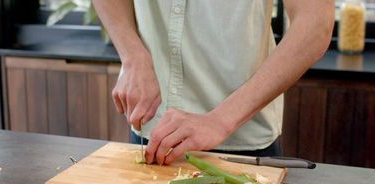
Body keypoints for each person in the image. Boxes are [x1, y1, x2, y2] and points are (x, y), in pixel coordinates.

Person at [93, 0, 334, 165]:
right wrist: (132, 54)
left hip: (241, 142)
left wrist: (220, 120)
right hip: (152, 134)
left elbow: (315, 24)